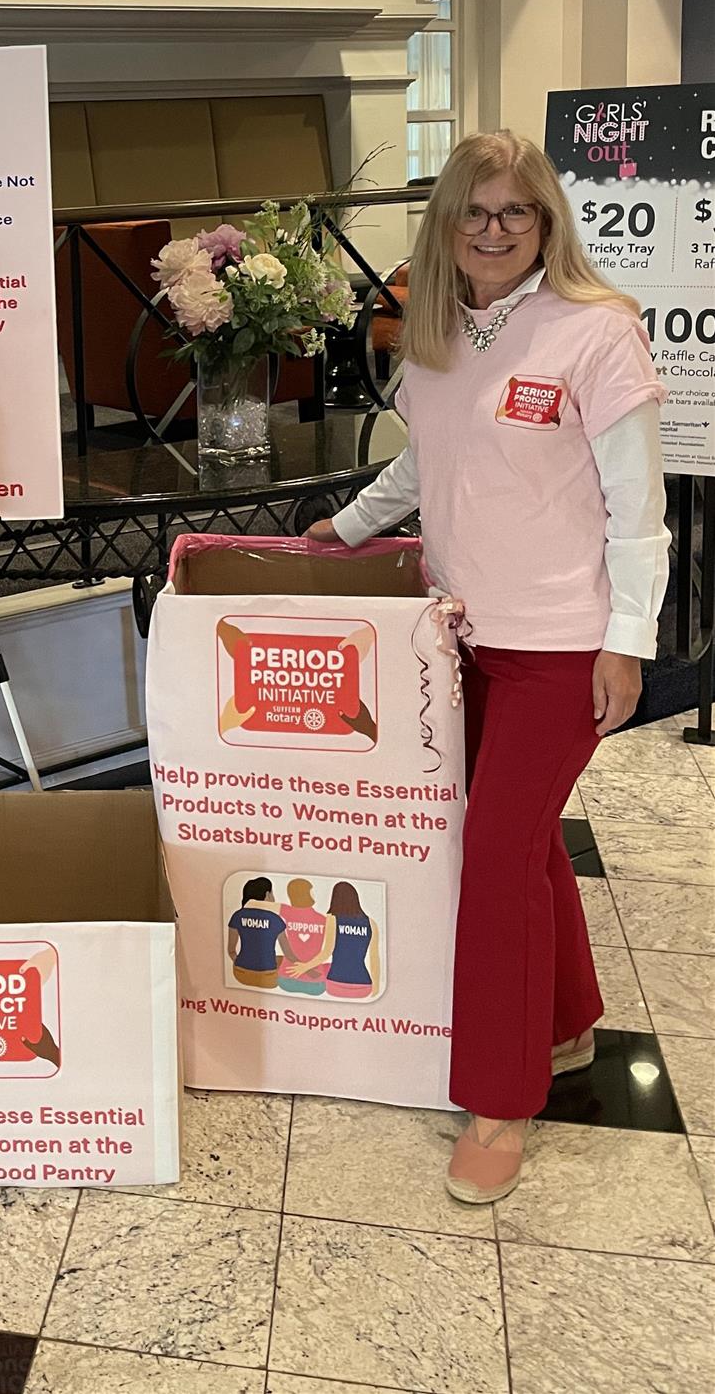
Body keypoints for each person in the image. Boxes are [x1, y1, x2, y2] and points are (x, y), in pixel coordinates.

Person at [309, 130, 669, 1203]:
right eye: (473, 211)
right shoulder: (434, 334)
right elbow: (425, 463)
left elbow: (638, 511)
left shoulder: (596, 332)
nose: (494, 230)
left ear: (545, 221)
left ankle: (500, 1098)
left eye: (515, 211)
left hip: (561, 646)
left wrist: (629, 641)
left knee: (497, 856)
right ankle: (565, 1022)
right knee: (524, 842)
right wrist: (346, 528)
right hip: (458, 636)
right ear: (446, 226)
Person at [320, 882, 379, 1000]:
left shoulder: (333, 919)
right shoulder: (371, 923)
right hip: (364, 986)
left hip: (335, 984)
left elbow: (327, 952)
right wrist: (376, 986)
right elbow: (374, 958)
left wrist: (305, 967)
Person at [226, 876, 288, 988]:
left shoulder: (237, 916)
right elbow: (289, 954)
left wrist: (242, 963)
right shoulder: (276, 919)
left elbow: (231, 951)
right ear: (267, 894)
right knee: (285, 959)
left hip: (240, 974)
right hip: (268, 978)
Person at [277, 877, 329, 996]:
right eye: (311, 891)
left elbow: (254, 904)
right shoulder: (323, 919)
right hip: (316, 985)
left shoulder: (286, 911)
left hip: (285, 981)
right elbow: (326, 952)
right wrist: (306, 967)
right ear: (308, 894)